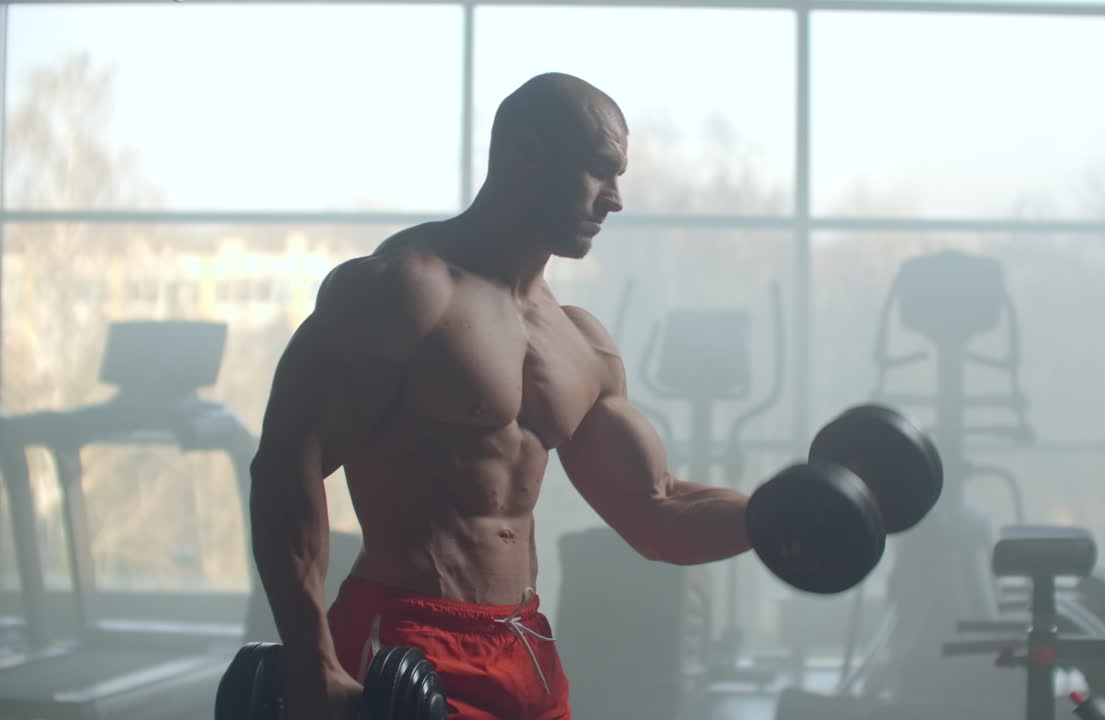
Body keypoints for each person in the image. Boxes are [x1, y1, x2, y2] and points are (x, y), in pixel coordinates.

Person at [249, 72, 754, 720]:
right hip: (403, 645)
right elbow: (287, 464)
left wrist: (783, 514)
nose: (615, 200)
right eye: (600, 169)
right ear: (526, 151)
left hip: (525, 649)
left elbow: (656, 513)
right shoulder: (406, 291)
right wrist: (311, 659)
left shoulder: (578, 340)